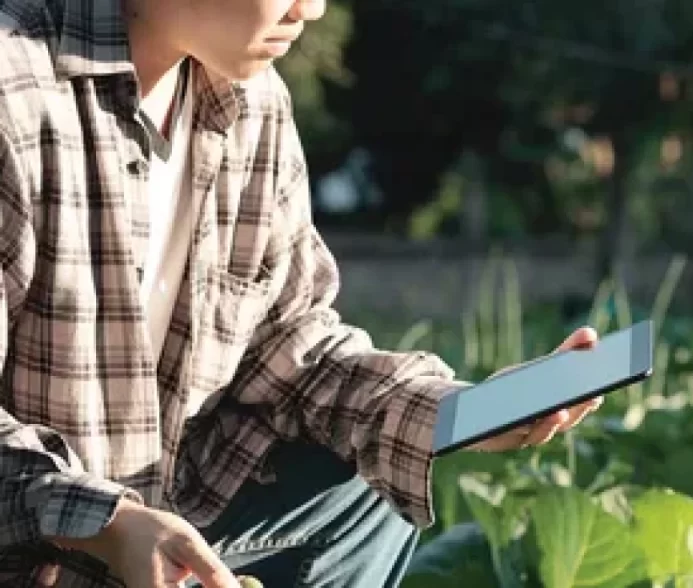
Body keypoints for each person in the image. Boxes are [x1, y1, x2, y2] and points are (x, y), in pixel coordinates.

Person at [0, 0, 605, 586]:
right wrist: (108, 523)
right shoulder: (15, 92)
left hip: (162, 526)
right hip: (36, 549)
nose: (310, 10)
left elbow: (292, 343)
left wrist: (461, 413)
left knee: (372, 482)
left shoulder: (255, 104)